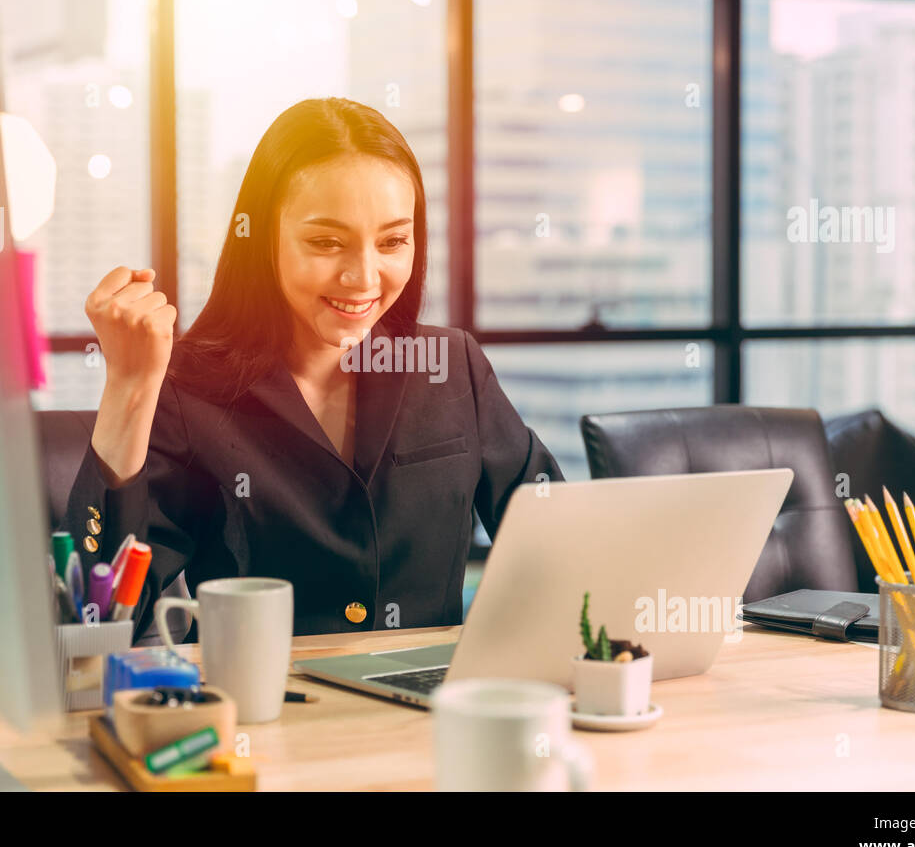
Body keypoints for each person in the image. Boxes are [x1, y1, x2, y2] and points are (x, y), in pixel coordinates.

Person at [62, 96, 562, 642]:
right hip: (265, 712)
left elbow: (558, 540)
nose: (364, 278)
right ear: (262, 242)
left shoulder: (449, 365)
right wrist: (129, 389)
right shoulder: (190, 391)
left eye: (393, 241)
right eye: (326, 242)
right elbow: (99, 619)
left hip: (426, 715)